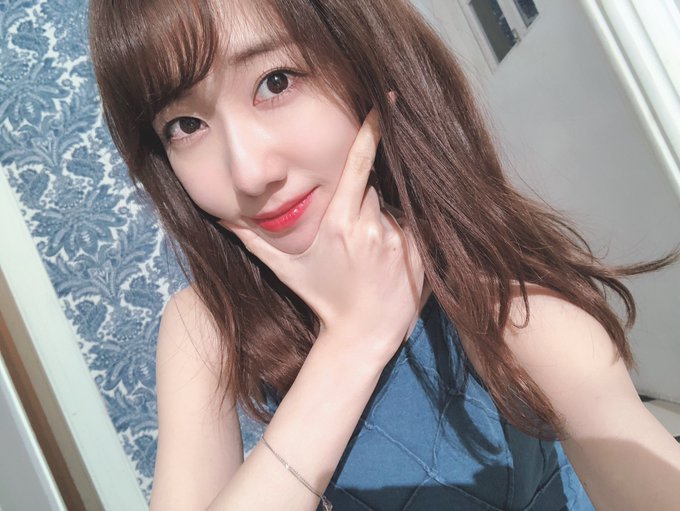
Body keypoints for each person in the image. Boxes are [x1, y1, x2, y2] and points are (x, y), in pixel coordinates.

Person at [88, 0, 680, 509]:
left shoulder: (516, 317)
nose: (248, 172)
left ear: (365, 66)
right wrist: (353, 342)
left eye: (276, 82)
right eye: (186, 125)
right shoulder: (205, 326)